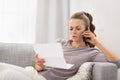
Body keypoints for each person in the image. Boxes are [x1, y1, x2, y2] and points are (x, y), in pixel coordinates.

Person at [34, 11, 120, 80]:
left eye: (78, 28)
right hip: (35, 74)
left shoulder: (91, 52)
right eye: (71, 28)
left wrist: (97, 43)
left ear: (87, 30)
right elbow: (39, 68)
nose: (73, 32)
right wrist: (39, 66)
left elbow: (117, 63)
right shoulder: (60, 42)